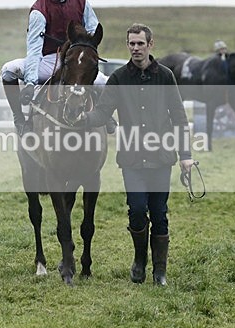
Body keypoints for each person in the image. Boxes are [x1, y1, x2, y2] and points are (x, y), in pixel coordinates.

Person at [75, 23, 195, 286]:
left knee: (159, 213)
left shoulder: (165, 76)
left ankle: (159, 272)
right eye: (131, 43)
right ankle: (140, 261)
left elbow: (179, 118)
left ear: (150, 45)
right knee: (137, 211)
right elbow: (102, 113)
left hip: (161, 157)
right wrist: (82, 118)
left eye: (140, 43)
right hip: (132, 159)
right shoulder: (118, 78)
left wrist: (185, 155)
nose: (136, 48)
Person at [1, 0, 106, 134]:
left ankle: (104, 116)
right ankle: (19, 119)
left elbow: (93, 33)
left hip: (75, 60)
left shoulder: (82, 2)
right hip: (48, 61)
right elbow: (34, 50)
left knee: (105, 83)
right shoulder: (39, 10)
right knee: (8, 70)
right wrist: (30, 83)